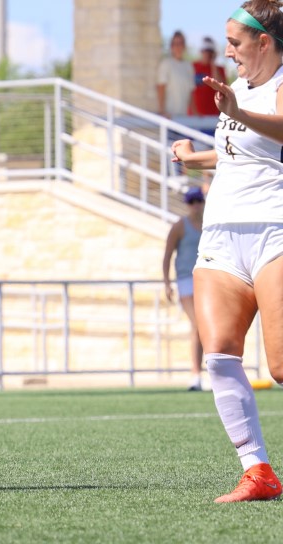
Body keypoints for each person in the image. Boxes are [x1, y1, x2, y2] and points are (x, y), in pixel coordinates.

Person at [170, 0, 283, 503]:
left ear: (265, 42)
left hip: (273, 229)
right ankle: (257, 471)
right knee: (219, 356)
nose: (228, 51)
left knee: (280, 367)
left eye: (236, 42)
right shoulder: (235, 90)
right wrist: (199, 158)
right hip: (220, 233)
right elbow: (241, 145)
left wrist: (239, 112)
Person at [162, 187, 205, 391]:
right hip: (186, 280)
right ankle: (195, 374)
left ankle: (205, 372)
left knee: (207, 326)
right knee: (198, 324)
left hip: (206, 279)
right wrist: (167, 283)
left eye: (199, 201)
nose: (196, 205)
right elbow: (168, 254)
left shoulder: (210, 224)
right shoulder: (180, 225)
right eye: (192, 201)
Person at [157, 30, 196, 120]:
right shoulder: (166, 63)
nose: (178, 46)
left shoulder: (188, 66)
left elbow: (191, 93)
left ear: (184, 46)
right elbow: (161, 87)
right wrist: (162, 111)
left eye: (180, 43)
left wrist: (195, 113)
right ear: (171, 46)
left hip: (183, 117)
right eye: (175, 44)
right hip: (169, 117)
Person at [192, 37, 228, 120]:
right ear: (201, 51)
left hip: (213, 116)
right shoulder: (193, 66)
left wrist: (213, 65)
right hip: (195, 116)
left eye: (210, 51)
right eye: (205, 51)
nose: (207, 54)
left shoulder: (219, 69)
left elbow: (222, 88)